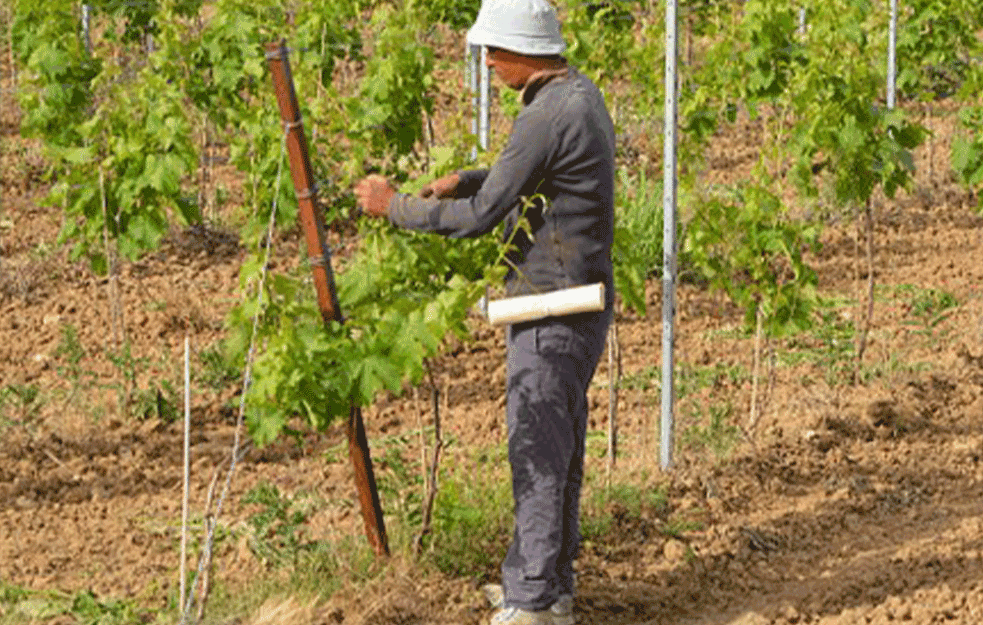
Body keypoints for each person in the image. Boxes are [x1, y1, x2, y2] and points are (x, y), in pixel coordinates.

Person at [354, 0, 615, 623]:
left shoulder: (546, 115)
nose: (489, 62)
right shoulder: (578, 94)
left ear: (522, 51)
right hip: (579, 302)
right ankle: (548, 586)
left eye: (493, 51)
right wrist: (470, 177)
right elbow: (527, 177)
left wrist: (395, 207)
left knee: (537, 451)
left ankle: (531, 604)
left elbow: (480, 221)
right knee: (559, 449)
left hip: (554, 307)